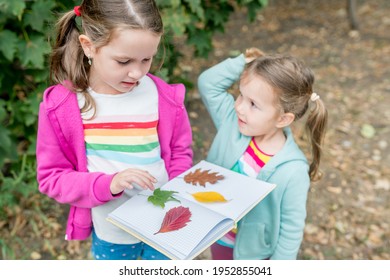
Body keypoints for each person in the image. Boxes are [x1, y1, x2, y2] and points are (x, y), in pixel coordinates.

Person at [36, 0, 193, 260]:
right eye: (123, 61)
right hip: (113, 234)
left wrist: (178, 189)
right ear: (89, 46)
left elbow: (179, 150)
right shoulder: (63, 107)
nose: (137, 72)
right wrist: (109, 184)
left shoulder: (163, 97)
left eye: (147, 59)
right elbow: (52, 177)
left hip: (165, 228)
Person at [197, 47, 327, 260]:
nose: (239, 107)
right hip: (220, 238)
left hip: (254, 255)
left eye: (253, 104)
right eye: (241, 96)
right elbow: (207, 84)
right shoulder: (232, 123)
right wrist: (242, 62)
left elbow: (291, 229)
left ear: (283, 119)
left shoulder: (292, 170)